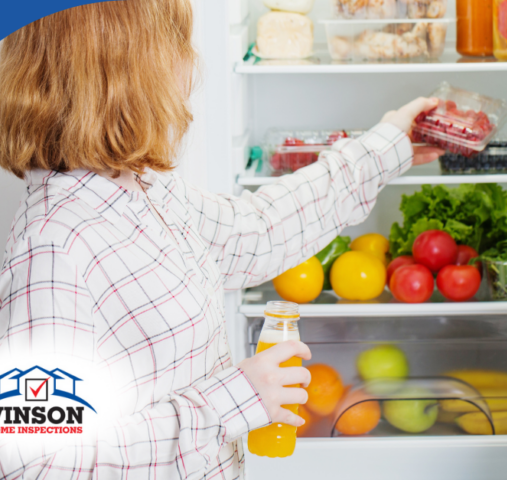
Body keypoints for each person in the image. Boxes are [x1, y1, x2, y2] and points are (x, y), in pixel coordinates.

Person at [0, 1, 443, 479]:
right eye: (177, 43)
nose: (194, 62)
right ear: (124, 67)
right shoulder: (51, 249)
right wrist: (231, 402)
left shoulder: (142, 188)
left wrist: (388, 145)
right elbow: (37, 465)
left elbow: (256, 231)